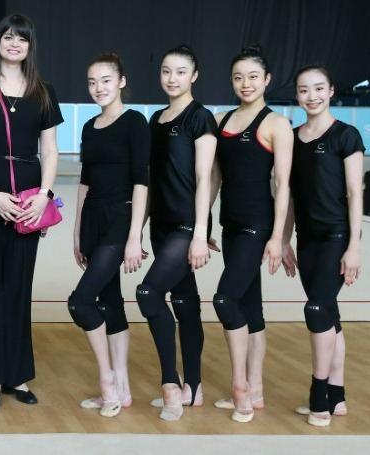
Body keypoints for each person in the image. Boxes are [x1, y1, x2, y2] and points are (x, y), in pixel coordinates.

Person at [0, 13, 62, 411]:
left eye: (21, 38)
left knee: (19, 289)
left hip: (29, 202)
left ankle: (17, 375)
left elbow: (51, 150)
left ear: (29, 46)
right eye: (8, 37)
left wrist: (44, 195)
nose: (14, 44)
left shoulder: (43, 91)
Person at [210, 45, 293, 423]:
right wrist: (205, 224)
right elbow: (214, 178)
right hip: (230, 224)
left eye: (253, 77)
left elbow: (284, 184)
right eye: (238, 77)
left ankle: (241, 385)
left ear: (267, 80)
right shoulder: (221, 118)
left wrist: (278, 237)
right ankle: (256, 389)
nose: (245, 83)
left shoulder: (275, 123)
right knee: (250, 307)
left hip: (257, 226)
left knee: (225, 299)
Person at [136, 45, 217, 421]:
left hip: (187, 224)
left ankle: (171, 382)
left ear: (194, 75)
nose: (172, 78)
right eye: (166, 71)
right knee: (185, 302)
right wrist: (138, 230)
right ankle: (195, 387)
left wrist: (200, 232)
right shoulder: (156, 120)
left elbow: (205, 178)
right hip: (162, 224)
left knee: (149, 292)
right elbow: (151, 180)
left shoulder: (201, 118)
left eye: (180, 72)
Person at [67, 52, 149, 418]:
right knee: (110, 302)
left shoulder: (135, 123)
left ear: (121, 81)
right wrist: (76, 231)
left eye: (105, 80)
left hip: (120, 218)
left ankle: (107, 381)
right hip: (93, 219)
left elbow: (141, 182)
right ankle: (125, 389)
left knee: (81, 301)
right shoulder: (89, 126)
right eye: (91, 81)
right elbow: (84, 182)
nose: (98, 88)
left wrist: (135, 237)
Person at [283, 65, 364, 427]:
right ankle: (338, 395)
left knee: (315, 310)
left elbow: (354, 193)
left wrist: (354, 247)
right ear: (297, 95)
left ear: (331, 90)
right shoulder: (292, 138)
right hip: (307, 240)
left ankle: (318, 393)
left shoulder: (346, 135)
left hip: (336, 238)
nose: (311, 96)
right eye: (304, 90)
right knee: (329, 314)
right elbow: (288, 196)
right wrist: (283, 239)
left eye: (318, 88)